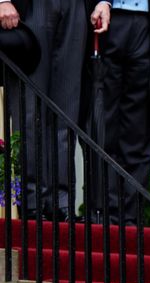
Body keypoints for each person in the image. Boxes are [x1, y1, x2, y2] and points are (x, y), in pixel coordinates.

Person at [89, 0, 150, 222]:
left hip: (145, 25)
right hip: (109, 22)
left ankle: (131, 214)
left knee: (139, 126)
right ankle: (105, 211)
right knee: (105, 122)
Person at [1, 0, 88, 221]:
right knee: (29, 110)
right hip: (31, 6)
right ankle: (32, 201)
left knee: (66, 111)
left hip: (74, 7)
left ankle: (62, 202)